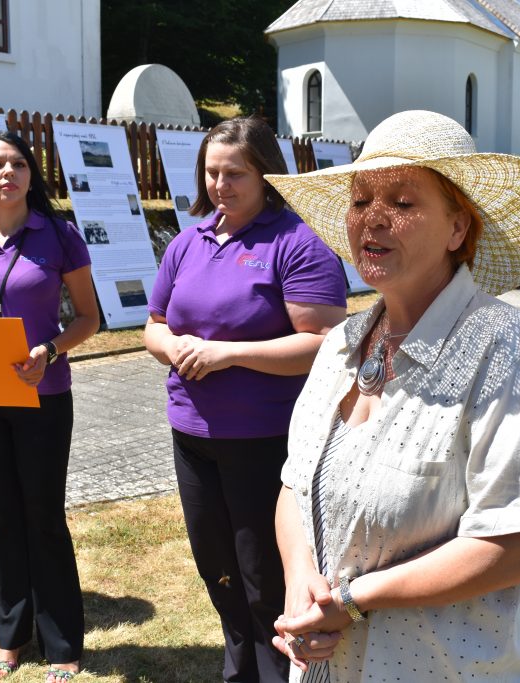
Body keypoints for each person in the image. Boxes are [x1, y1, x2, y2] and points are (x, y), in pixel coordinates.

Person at [263, 110, 520, 682]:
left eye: (403, 202)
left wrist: (352, 599)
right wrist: (300, 584)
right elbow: (294, 485)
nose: (374, 219)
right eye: (361, 200)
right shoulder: (341, 343)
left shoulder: (507, 349)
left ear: (458, 228)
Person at [143, 117, 348, 682]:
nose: (219, 185)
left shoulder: (296, 243)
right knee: (219, 571)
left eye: (234, 173)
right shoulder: (189, 242)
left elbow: (324, 343)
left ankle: (282, 671)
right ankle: (239, 671)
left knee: (264, 578)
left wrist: (227, 354)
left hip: (263, 440)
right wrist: (173, 345)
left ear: (266, 174)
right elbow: (154, 324)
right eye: (211, 172)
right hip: (193, 435)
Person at [0, 131, 99, 682]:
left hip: (43, 395)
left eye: (17, 163)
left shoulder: (59, 236)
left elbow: (88, 317)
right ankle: (11, 634)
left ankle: (61, 642)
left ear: (31, 175)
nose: (7, 172)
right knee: (0, 517)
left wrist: (50, 350)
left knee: (43, 516)